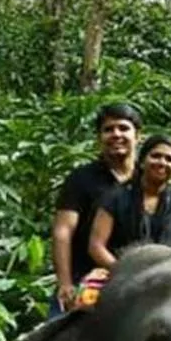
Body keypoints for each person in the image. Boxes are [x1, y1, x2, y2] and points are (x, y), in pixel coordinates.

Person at [50, 103, 139, 316]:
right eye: (108, 129)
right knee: (57, 340)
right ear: (99, 138)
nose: (116, 134)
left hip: (137, 281)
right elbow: (63, 231)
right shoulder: (81, 179)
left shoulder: (147, 180)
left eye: (123, 128)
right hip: (86, 281)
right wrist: (65, 283)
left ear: (138, 136)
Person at [87, 134, 171, 271]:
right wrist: (122, 271)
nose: (162, 162)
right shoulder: (113, 198)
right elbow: (96, 246)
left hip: (168, 277)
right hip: (119, 274)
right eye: (156, 156)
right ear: (141, 161)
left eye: (169, 159)